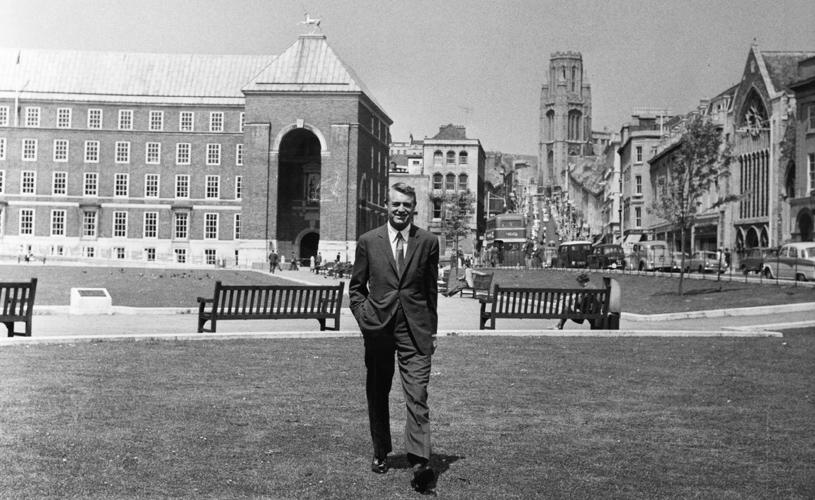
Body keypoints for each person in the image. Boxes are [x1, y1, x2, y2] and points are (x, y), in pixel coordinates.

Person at [349, 182, 439, 493]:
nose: (401, 209)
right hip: (379, 329)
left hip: (415, 330)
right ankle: (380, 452)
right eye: (396, 204)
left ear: (415, 208)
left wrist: (431, 330)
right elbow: (356, 289)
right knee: (378, 390)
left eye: (407, 205)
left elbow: (430, 292)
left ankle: (420, 461)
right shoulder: (368, 241)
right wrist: (364, 319)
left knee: (417, 394)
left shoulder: (428, 242)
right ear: (387, 206)